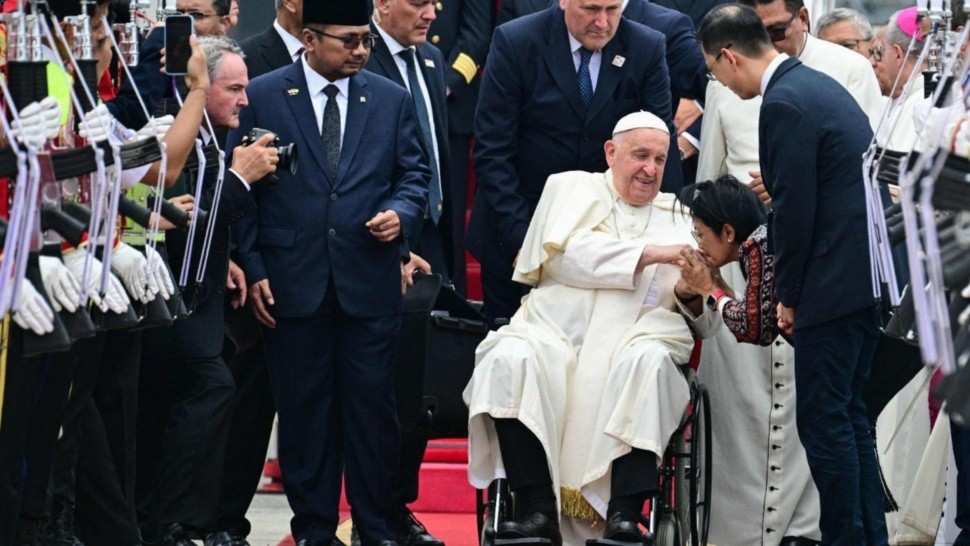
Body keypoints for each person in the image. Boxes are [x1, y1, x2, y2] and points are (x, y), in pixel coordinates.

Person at [226, 0, 430, 542]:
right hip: (293, 284)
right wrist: (254, 265)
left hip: (369, 283)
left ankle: (376, 527)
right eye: (348, 40)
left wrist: (401, 215)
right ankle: (314, 530)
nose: (361, 50)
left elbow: (415, 175)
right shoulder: (265, 94)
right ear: (310, 39)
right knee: (304, 419)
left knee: (373, 417)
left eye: (365, 39)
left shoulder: (390, 98)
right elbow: (244, 195)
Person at [699, 5, 887, 545]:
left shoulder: (782, 103)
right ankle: (867, 537)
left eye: (715, 71)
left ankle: (845, 539)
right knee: (850, 420)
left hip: (831, 285)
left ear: (730, 57)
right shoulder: (812, 87)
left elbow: (795, 210)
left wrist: (788, 295)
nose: (719, 83)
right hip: (859, 277)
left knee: (827, 426)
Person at [464, 111, 694, 545]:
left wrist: (692, 290)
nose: (651, 169)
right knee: (506, 359)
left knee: (648, 365)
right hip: (553, 333)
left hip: (635, 339)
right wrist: (652, 253)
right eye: (640, 155)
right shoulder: (570, 187)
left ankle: (625, 515)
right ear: (611, 152)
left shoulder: (679, 216)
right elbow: (566, 257)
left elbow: (693, 310)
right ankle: (536, 509)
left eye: (661, 160)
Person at [136, 35, 280, 546]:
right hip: (168, 298)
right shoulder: (180, 131)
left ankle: (182, 521)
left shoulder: (214, 134)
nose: (245, 99)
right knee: (206, 390)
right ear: (200, 86)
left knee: (201, 395)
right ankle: (170, 523)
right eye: (233, 89)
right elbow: (186, 213)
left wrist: (230, 261)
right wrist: (240, 181)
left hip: (203, 293)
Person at [467, 0, 675, 325]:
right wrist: (524, 240)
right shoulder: (516, 41)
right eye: (591, 9)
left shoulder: (645, 47)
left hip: (605, 239)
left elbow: (659, 146)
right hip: (517, 224)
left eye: (613, 10)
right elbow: (494, 151)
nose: (603, 22)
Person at [363, 0, 452, 544]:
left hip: (434, 242)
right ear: (381, 5)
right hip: (385, 245)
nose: (432, 12)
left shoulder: (432, 61)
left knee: (420, 387)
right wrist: (396, 247)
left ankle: (399, 507)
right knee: (383, 390)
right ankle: (376, 513)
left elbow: (435, 157)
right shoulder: (359, 60)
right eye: (419, 2)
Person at [424, 0, 491, 293]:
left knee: (448, 218)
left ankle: (452, 298)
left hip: (449, 105)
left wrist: (445, 83)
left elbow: (476, 36)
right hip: (392, 87)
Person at [870, 6, 929, 152]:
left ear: (898, 55)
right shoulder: (886, 99)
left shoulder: (924, 104)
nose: (871, 62)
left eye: (878, 52)